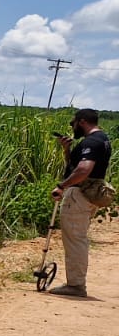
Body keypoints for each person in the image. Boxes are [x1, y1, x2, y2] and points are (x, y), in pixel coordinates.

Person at [49, 108, 112, 297]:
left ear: (82, 122)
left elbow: (83, 169)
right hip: (87, 194)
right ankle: (76, 282)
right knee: (78, 237)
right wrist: (67, 149)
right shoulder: (102, 139)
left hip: (79, 195)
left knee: (75, 239)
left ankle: (76, 285)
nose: (72, 127)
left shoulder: (92, 142)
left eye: (73, 123)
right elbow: (74, 166)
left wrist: (62, 186)